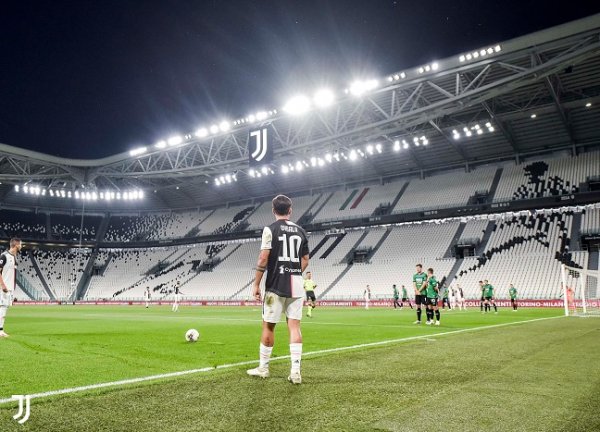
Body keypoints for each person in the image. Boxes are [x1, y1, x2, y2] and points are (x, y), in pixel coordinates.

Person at [247, 195, 309, 385]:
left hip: (274, 286)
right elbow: (305, 259)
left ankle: (263, 368)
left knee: (268, 326)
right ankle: (296, 372)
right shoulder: (300, 231)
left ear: (273, 210)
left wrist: (256, 284)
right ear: (290, 211)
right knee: (295, 326)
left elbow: (263, 259)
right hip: (296, 285)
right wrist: (294, 272)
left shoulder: (270, 230)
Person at [0, 238, 22, 338]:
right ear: (16, 245)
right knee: (3, 308)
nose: (21, 246)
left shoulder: (15, 258)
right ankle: (0, 330)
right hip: (3, 287)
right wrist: (3, 285)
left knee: (4, 308)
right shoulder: (4, 256)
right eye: (20, 244)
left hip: (10, 288)